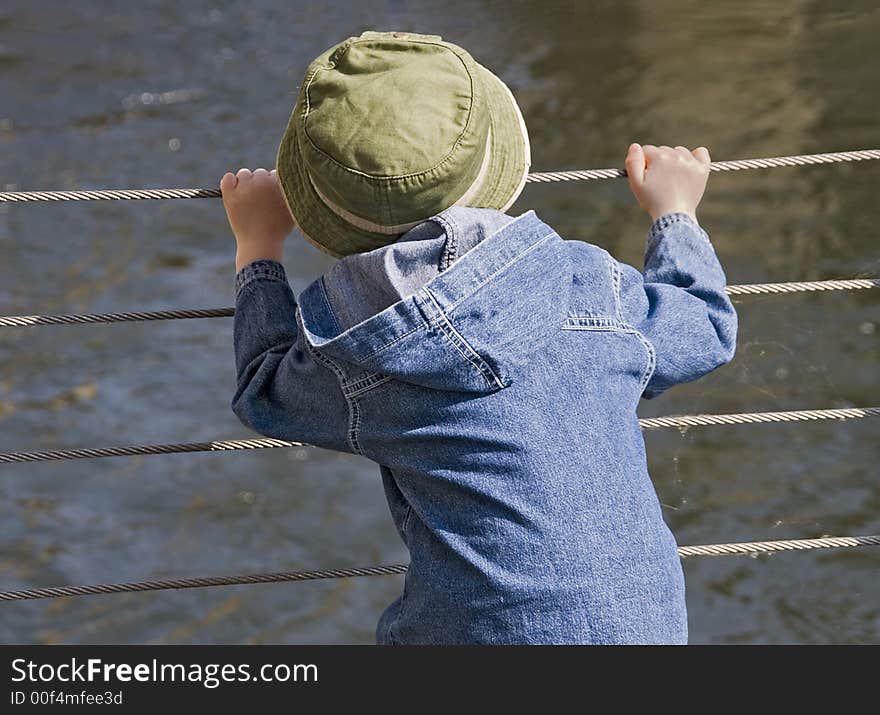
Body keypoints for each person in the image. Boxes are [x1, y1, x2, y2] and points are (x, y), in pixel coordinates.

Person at [220, 31, 737, 644]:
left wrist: (257, 249)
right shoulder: (588, 288)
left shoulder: (360, 358)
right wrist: (674, 213)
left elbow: (265, 392)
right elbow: (703, 325)